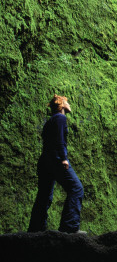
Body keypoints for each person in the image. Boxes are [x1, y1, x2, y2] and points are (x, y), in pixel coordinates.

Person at [28, 94, 85, 234]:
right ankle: (69, 227)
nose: (69, 104)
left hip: (45, 161)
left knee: (44, 195)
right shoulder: (60, 118)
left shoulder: (50, 121)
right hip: (56, 159)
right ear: (62, 104)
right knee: (76, 188)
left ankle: (36, 229)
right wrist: (64, 158)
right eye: (67, 102)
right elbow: (59, 140)